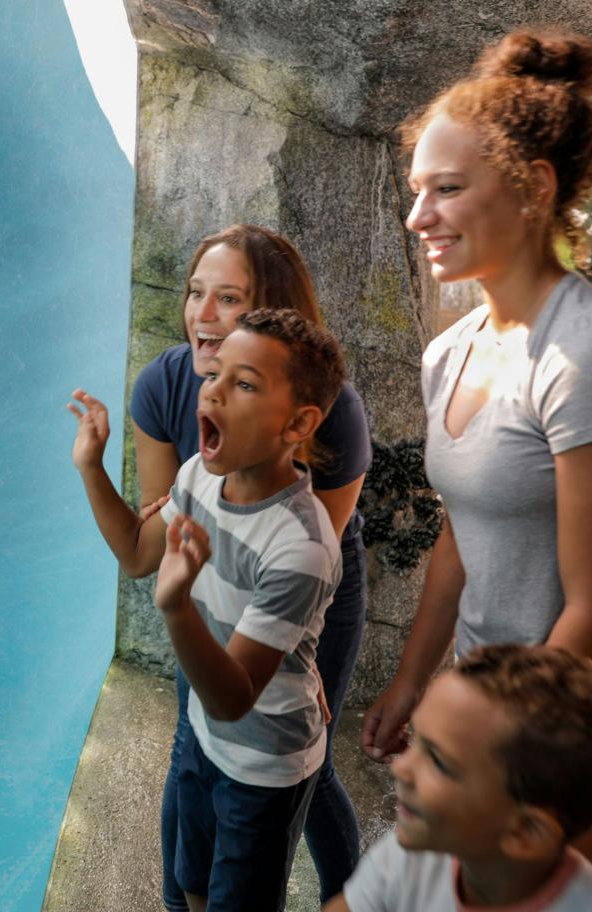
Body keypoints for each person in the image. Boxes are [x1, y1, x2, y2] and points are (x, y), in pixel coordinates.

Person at [361, 29, 592, 912]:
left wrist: (495, 765)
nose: (417, 215)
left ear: (533, 189)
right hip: (485, 721)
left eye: (447, 190)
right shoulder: (451, 351)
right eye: (415, 192)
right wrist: (414, 680)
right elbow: (461, 539)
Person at [69, 308, 348, 911]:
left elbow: (236, 694)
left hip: (264, 761)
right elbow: (139, 553)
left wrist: (176, 610)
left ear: (298, 422)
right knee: (191, 885)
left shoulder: (300, 545)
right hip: (203, 734)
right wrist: (92, 469)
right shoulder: (197, 474)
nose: (214, 390)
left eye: (244, 384)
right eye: (215, 373)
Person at [130, 224, 373, 910]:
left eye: (228, 298)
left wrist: (295, 654)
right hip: (213, 568)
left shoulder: (335, 412)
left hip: (301, 578)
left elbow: (310, 544)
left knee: (297, 760)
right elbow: (153, 545)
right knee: (197, 750)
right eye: (194, 293)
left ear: (272, 314)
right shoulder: (164, 385)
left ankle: (347, 896)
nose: (203, 315)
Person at [328, 645, 592, 912]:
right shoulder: (409, 858)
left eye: (438, 760)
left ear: (525, 831)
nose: (400, 769)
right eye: (417, 740)